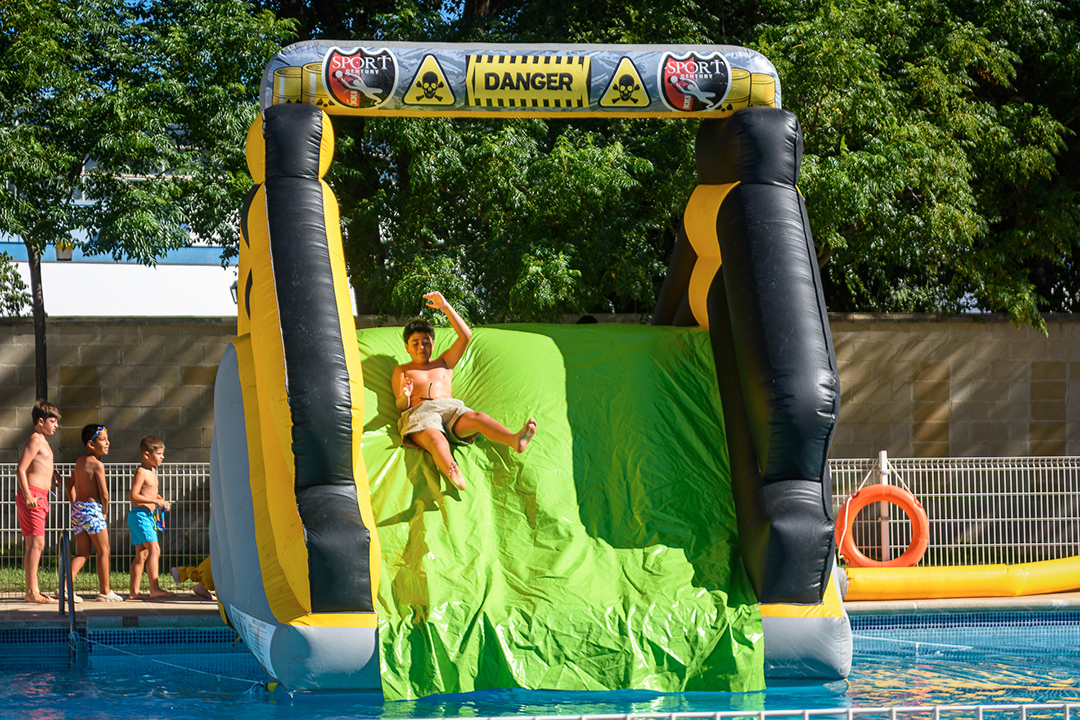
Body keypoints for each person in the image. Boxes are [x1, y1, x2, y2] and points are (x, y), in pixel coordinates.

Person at [391, 291, 537, 491]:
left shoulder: (444, 362)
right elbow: (400, 406)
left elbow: (466, 335)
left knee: (477, 417)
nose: (421, 347)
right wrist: (405, 395)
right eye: (415, 343)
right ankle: (452, 469)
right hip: (421, 413)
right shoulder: (403, 370)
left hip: (450, 410)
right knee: (435, 437)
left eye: (426, 342)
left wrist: (445, 307)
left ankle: (513, 440)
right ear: (407, 347)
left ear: (433, 343)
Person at [66, 424, 124, 602]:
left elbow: (69, 486)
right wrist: (104, 512)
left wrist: (75, 504)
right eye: (103, 440)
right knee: (103, 550)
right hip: (93, 510)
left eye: (107, 439)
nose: (108, 442)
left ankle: (65, 588)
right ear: (91, 444)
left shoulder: (79, 461)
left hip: (78, 510)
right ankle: (105, 591)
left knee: (82, 552)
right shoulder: (98, 465)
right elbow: (104, 494)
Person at [15, 399, 62, 604]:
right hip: (32, 496)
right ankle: (31, 592)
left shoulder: (44, 441)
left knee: (34, 545)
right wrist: (27, 495)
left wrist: (53, 479)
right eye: (52, 421)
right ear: (40, 421)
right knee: (37, 543)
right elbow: (21, 469)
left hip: (40, 495)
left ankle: (33, 590)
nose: (56, 425)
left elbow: (39, 469)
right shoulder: (35, 439)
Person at [127, 435, 173, 600]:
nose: (162, 457)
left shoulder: (152, 471)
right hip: (140, 516)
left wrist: (160, 500)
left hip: (147, 516)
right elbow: (133, 495)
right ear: (146, 454)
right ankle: (154, 588)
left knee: (142, 554)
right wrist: (154, 500)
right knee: (155, 549)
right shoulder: (141, 471)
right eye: (159, 453)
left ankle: (133, 592)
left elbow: (152, 493)